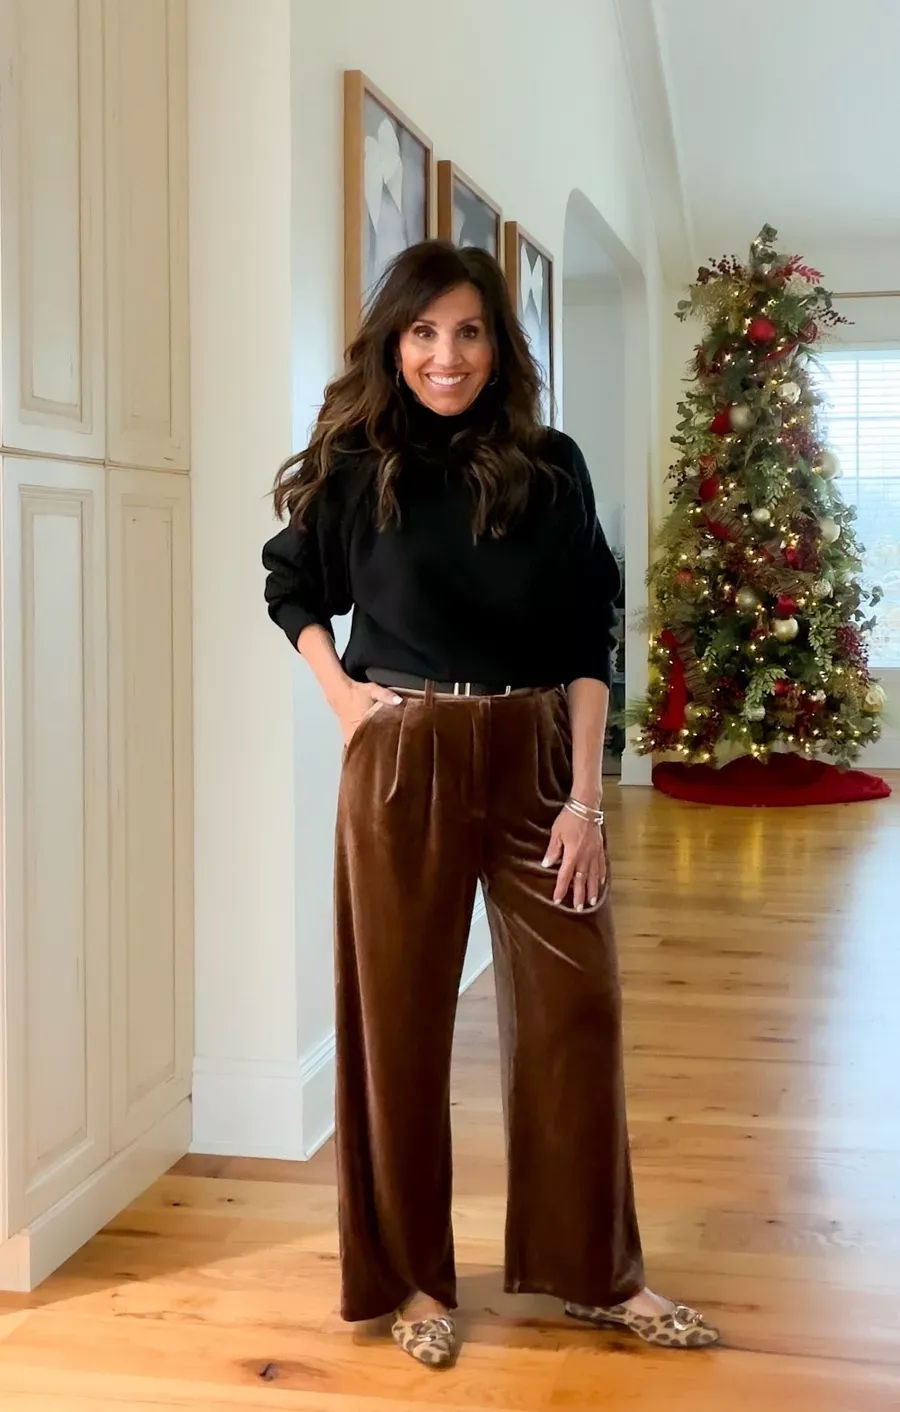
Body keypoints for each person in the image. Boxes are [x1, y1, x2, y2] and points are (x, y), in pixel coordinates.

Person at [262, 241, 720, 1366]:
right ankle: (415, 1275)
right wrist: (343, 700)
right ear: (394, 342)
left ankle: (596, 1271)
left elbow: (586, 638)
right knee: (398, 1023)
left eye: (467, 332)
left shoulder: (549, 466)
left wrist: (586, 802)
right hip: (402, 753)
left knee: (577, 1011)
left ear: (498, 344)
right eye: (423, 333)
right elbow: (292, 583)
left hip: (530, 760)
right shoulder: (354, 460)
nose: (445, 355)